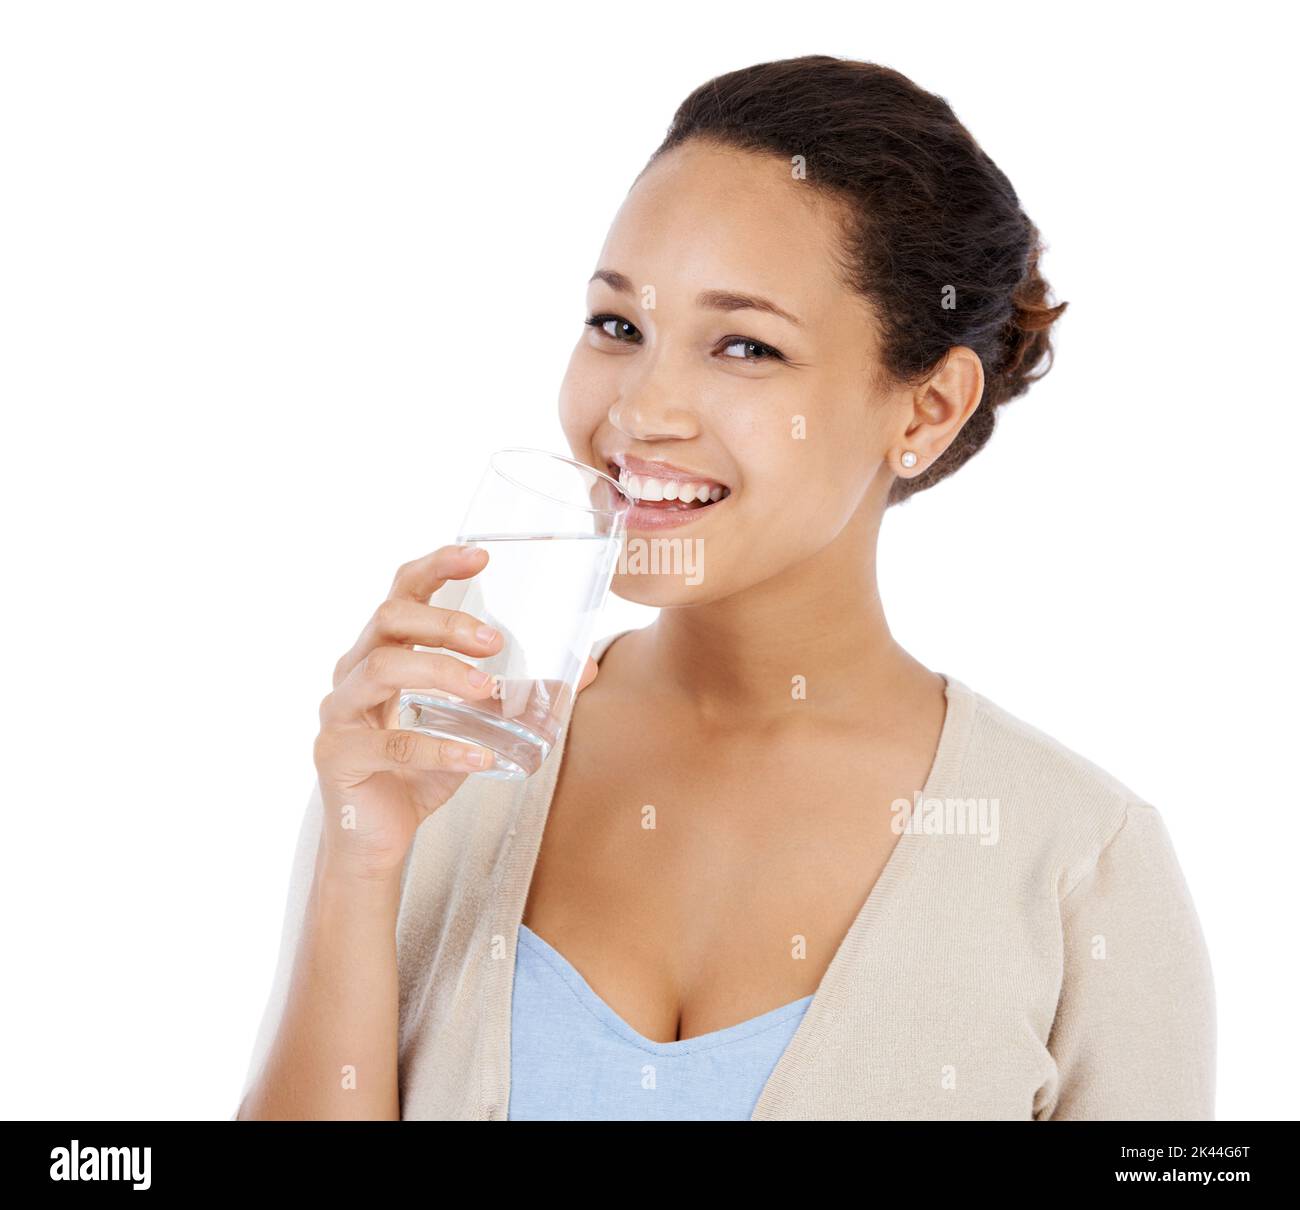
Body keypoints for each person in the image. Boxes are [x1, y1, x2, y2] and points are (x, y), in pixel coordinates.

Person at [236, 55, 1214, 1121]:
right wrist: (359, 859)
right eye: (618, 326)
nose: (643, 410)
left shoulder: (1079, 863)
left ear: (927, 408)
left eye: (745, 345)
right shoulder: (445, 760)